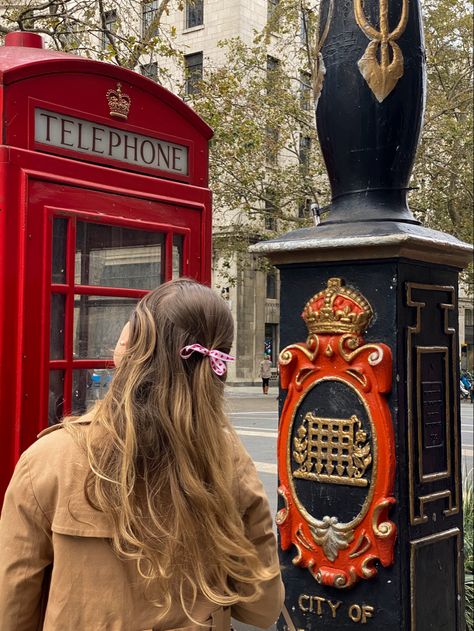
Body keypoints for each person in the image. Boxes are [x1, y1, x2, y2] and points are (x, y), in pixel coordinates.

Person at [0, 279, 284, 630]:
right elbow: (262, 606)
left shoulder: (47, 458)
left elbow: (13, 605)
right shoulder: (227, 459)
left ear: (128, 350)